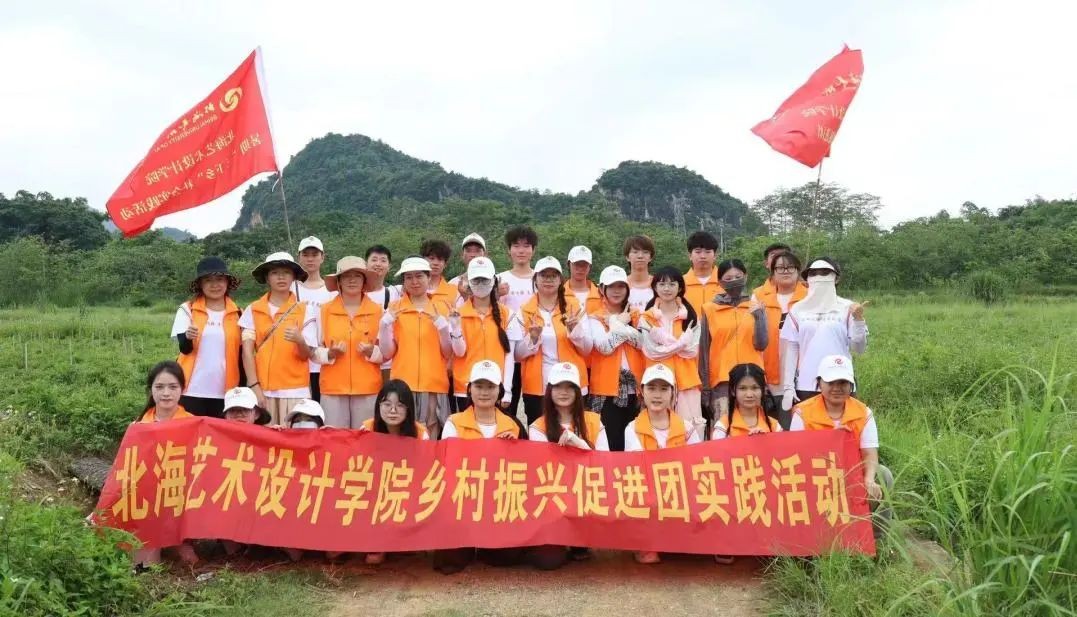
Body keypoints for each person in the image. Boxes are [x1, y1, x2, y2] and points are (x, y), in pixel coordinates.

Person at [435, 361, 525, 574]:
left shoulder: (513, 425)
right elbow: (447, 464)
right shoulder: (454, 422)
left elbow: (524, 471)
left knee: (507, 556)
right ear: (469, 389)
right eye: (479, 386)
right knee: (449, 560)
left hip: (498, 502)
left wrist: (515, 448)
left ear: (499, 390)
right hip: (463, 499)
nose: (484, 392)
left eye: (490, 387)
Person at [789, 355, 892, 536]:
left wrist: (869, 479)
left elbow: (869, 453)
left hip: (852, 474)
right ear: (819, 384)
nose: (836, 388)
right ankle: (811, 534)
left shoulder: (863, 412)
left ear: (851, 385)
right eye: (831, 382)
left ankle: (875, 536)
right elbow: (795, 456)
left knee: (884, 475)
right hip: (815, 476)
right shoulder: (802, 412)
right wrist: (830, 440)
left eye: (843, 383)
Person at [527, 362, 607, 569]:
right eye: (558, 386)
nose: (563, 392)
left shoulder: (594, 421)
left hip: (586, 494)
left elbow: (605, 464)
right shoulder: (537, 427)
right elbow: (542, 471)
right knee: (547, 561)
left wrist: (579, 444)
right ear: (549, 391)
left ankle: (579, 538)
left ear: (578, 392)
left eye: (569, 387)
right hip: (553, 498)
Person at [624, 363, 701, 564]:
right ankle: (647, 542)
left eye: (664, 389)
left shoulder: (687, 428)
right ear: (642, 392)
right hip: (649, 491)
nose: (657, 395)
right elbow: (636, 469)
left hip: (679, 490)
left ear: (673, 393)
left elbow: (697, 465)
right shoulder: (632, 428)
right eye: (651, 388)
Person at [709, 362, 781, 565]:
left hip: (766, 485)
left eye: (755, 388)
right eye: (743, 388)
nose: (749, 394)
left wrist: (765, 443)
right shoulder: (723, 426)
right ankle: (727, 540)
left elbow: (784, 459)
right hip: (734, 485)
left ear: (763, 390)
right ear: (733, 391)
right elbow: (717, 461)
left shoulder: (774, 426)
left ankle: (770, 539)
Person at [378, 256, 455, 438]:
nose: (414, 282)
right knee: (402, 433)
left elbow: (448, 352)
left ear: (429, 277)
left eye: (419, 276)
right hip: (403, 384)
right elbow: (387, 353)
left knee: (431, 431)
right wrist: (384, 325)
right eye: (409, 277)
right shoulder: (394, 308)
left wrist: (443, 328)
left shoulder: (442, 308)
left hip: (434, 383)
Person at [239, 252, 319, 425]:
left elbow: (307, 355)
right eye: (275, 273)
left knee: (295, 438)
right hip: (263, 390)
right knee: (263, 439)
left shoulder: (305, 310)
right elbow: (247, 351)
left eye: (286, 272)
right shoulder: (253, 309)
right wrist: (254, 386)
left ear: (294, 277)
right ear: (267, 278)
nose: (281, 277)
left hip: (296, 391)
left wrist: (300, 341)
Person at [779, 257, 869, 411]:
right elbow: (792, 348)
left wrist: (859, 320)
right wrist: (788, 386)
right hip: (807, 384)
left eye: (825, 272)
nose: (819, 277)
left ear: (836, 278)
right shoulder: (798, 310)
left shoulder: (848, 308)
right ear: (806, 279)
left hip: (841, 383)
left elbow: (859, 348)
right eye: (813, 273)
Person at [133, 361, 197, 566]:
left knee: (190, 561)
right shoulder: (138, 426)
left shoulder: (193, 423)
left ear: (182, 389)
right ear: (151, 389)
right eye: (159, 387)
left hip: (180, 496)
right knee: (144, 567)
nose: (166, 393)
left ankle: (178, 540)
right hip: (148, 500)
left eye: (173, 387)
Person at [514, 256, 592, 425]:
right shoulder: (524, 311)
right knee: (540, 433)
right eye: (544, 275)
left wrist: (575, 331)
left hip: (572, 383)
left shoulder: (575, 308)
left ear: (560, 280)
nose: (548, 280)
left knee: (574, 431)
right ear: (535, 279)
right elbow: (517, 355)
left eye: (553, 276)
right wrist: (532, 338)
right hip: (537, 388)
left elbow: (587, 349)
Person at [359, 379, 429, 565]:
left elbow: (425, 472)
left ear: (409, 409)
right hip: (376, 491)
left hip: (407, 490)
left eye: (400, 405)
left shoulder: (420, 434)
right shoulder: (367, 429)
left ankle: (405, 538)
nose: (392, 410)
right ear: (378, 406)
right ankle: (378, 543)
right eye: (387, 404)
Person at [314, 257, 385, 428]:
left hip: (368, 387)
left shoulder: (378, 311)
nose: (352, 280)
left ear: (364, 281)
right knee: (334, 438)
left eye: (357, 276)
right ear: (338, 281)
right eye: (346, 276)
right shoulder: (324, 310)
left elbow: (387, 352)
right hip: (333, 388)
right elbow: (313, 350)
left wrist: (372, 352)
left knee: (365, 437)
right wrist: (330, 353)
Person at [172, 256, 242, 418]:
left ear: (227, 282)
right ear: (200, 284)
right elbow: (184, 349)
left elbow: (242, 355)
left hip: (227, 392)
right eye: (208, 280)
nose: (214, 285)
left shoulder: (238, 313)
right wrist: (188, 337)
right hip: (190, 390)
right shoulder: (187, 309)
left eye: (219, 279)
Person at [699, 259, 768, 422]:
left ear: (746, 276)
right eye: (728, 278)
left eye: (738, 277)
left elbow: (762, 344)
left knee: (753, 426)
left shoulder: (756, 306)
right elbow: (704, 351)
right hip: (722, 380)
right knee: (723, 427)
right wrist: (705, 387)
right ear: (720, 282)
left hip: (752, 378)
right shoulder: (709, 309)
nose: (734, 281)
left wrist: (759, 317)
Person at [639, 267, 704, 440]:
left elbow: (691, 351)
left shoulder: (691, 316)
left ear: (680, 287)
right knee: (659, 431)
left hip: (687, 380)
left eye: (672, 284)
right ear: (655, 287)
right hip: (658, 381)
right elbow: (652, 352)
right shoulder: (647, 317)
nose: (666, 289)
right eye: (662, 284)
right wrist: (681, 342)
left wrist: (664, 341)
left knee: (691, 430)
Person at [588, 265, 644, 451]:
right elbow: (604, 347)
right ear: (601, 289)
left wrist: (616, 325)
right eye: (611, 286)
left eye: (621, 286)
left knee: (635, 444)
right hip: (606, 390)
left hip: (636, 389)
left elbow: (642, 343)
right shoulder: (595, 318)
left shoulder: (636, 315)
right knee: (610, 443)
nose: (616, 291)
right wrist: (620, 323)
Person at [450, 257, 516, 412]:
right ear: (469, 283)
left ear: (494, 281)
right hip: (466, 387)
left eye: (485, 280)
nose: (480, 284)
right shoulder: (457, 314)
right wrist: (455, 327)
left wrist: (507, 389)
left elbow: (509, 355)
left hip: (496, 387)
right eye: (476, 280)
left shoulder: (508, 314)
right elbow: (459, 352)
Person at [752, 250, 807, 424]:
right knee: (776, 424)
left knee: (801, 423)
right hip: (771, 370)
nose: (786, 271)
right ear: (772, 272)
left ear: (798, 271)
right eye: (780, 268)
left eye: (791, 267)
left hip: (803, 372)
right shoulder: (759, 296)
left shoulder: (809, 296)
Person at [499, 225, 538, 417]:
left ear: (533, 250)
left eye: (526, 246)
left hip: (535, 350)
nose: (521, 250)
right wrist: (496, 295)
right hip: (508, 353)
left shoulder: (542, 278)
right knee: (507, 408)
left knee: (535, 409)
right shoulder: (500, 279)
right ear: (509, 250)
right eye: (516, 246)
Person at [280, 399, 326, 561]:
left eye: (308, 419)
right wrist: (273, 435)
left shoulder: (331, 446)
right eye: (297, 420)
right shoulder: (282, 446)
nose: (302, 423)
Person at [297, 236, 338, 402]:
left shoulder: (332, 291)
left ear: (322, 257)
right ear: (299, 257)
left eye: (314, 254)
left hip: (324, 360)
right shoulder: (291, 288)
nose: (310, 259)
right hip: (298, 361)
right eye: (305, 255)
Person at [364, 245, 401, 383]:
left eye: (383, 260)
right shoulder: (356, 294)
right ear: (366, 264)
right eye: (374, 260)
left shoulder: (395, 293)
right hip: (363, 360)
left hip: (389, 364)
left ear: (389, 266)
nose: (378, 264)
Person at [683, 231, 723, 315]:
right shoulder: (680, 284)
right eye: (698, 252)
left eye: (707, 252)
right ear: (690, 255)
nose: (703, 256)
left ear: (715, 255)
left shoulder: (725, 282)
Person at [421, 238, 460, 307]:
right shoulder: (412, 288)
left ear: (445, 264)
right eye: (432, 258)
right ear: (422, 260)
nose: (435, 263)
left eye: (440, 259)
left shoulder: (454, 291)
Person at [450, 232, 487, 301]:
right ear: (462, 255)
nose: (473, 255)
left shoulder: (494, 284)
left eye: (477, 251)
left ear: (485, 254)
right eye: (468, 251)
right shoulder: (452, 284)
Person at [564, 245, 602, 313]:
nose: (580, 268)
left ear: (590, 267)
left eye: (584, 264)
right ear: (568, 264)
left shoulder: (601, 294)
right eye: (576, 264)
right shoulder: (558, 294)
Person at [623, 235, 656, 312]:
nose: (640, 256)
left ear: (650, 257)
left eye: (645, 252)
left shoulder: (658, 284)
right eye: (635, 252)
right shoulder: (621, 284)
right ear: (627, 257)